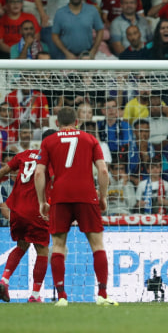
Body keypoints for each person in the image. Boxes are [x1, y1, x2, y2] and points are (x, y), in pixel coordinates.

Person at [34, 107, 117, 306]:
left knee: (59, 245)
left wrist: (41, 202)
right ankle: (102, 295)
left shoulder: (48, 141)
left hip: (60, 196)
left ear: (56, 123)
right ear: (77, 122)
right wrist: (103, 197)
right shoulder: (89, 139)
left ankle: (62, 296)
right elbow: (103, 170)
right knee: (97, 244)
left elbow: (38, 173)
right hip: (86, 195)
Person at [0, 129, 56, 303]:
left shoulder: (24, 154)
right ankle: (36, 295)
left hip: (16, 208)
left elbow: (4, 171)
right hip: (36, 210)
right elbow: (57, 181)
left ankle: (4, 280)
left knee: (22, 244)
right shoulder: (52, 161)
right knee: (43, 250)